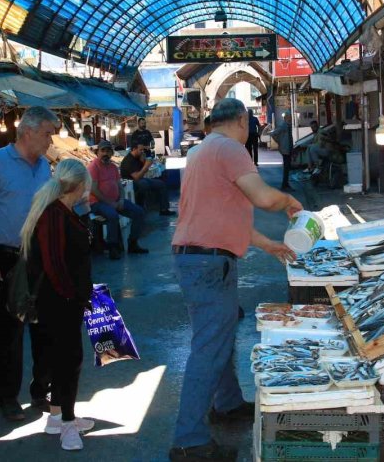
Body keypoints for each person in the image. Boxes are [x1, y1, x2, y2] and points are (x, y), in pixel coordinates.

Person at [169, 98, 302, 461]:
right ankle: (188, 441)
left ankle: (227, 402)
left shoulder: (201, 151)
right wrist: (288, 200)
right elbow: (263, 198)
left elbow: (221, 215)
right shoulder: (230, 149)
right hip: (208, 263)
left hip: (198, 258)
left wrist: (267, 244)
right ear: (242, 120)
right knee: (209, 347)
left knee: (220, 336)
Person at [0, 106, 58, 422]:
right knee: (9, 330)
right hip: (6, 256)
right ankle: (7, 397)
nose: (51, 141)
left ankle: (41, 389)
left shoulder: (44, 166)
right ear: (28, 132)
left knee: (44, 326)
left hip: (39, 254)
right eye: (47, 133)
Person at [20, 159, 96, 451]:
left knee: (58, 358)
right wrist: (72, 295)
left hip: (60, 299)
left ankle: (56, 418)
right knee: (68, 361)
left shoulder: (59, 211)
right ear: (80, 184)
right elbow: (54, 263)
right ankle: (67, 423)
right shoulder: (54, 214)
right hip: (59, 302)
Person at [88, 140, 148, 259]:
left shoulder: (113, 167)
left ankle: (133, 243)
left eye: (108, 151)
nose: (105, 153)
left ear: (111, 153)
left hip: (115, 201)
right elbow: (93, 190)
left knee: (139, 212)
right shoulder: (93, 167)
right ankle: (113, 247)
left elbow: (119, 186)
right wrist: (110, 203)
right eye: (103, 151)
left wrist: (121, 199)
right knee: (113, 215)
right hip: (97, 203)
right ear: (97, 152)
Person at [121, 140, 175, 216]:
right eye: (140, 150)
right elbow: (136, 177)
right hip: (131, 182)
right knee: (144, 184)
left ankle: (164, 209)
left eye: (143, 150)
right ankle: (141, 208)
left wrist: (143, 162)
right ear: (134, 149)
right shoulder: (128, 160)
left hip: (140, 179)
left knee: (161, 184)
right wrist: (146, 165)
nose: (142, 152)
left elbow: (142, 172)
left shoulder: (137, 157)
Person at [268, 111, 293, 190]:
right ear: (285, 117)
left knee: (287, 167)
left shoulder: (288, 125)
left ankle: (286, 184)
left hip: (288, 148)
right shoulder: (283, 125)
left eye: (290, 117)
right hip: (285, 149)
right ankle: (284, 184)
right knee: (286, 167)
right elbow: (273, 133)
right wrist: (279, 142)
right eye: (289, 117)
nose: (290, 118)